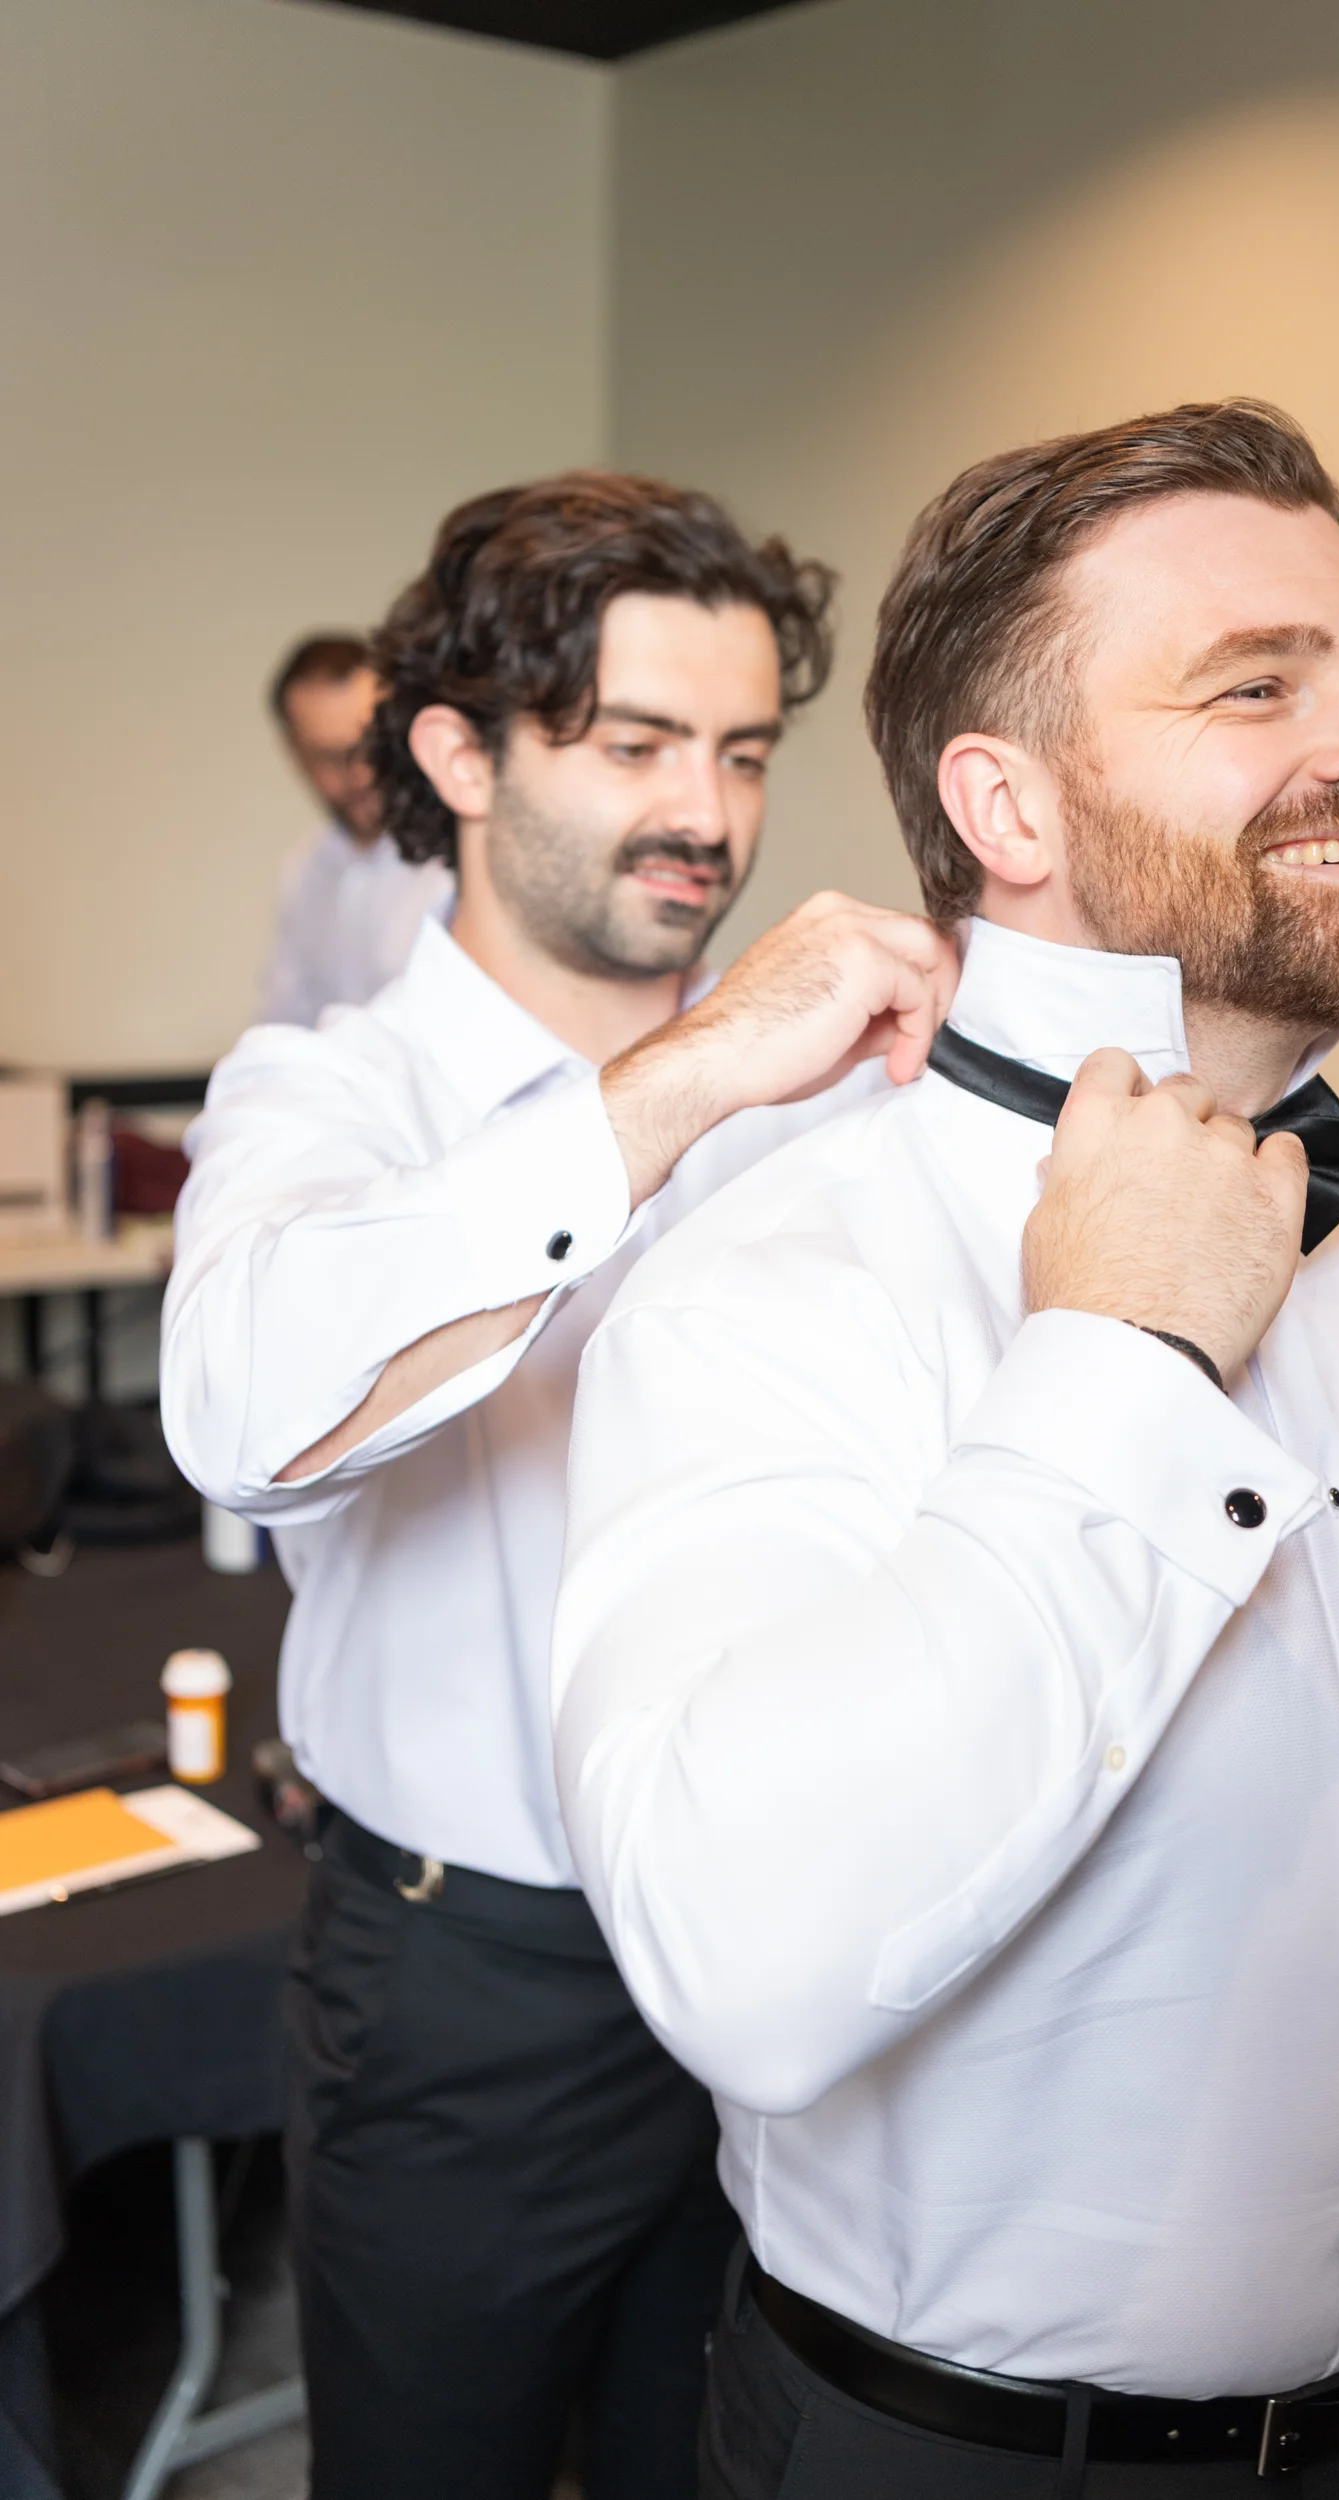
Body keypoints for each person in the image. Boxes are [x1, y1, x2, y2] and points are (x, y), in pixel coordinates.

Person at [551, 403, 1339, 2499]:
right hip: (960, 2454)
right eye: (1253, 683)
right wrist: (1122, 1354)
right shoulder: (774, 1275)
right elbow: (744, 1967)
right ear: (1003, 800)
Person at [161, 473, 957, 2500]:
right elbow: (250, 1413)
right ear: (455, 750)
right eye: (630, 745)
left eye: (742, 748)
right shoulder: (329, 1092)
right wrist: (694, 1074)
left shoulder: (838, 1105)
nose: (705, 810)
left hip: (788, 1969)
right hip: (467, 1986)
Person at [258, 632, 452, 1025]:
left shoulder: (455, 859)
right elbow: (286, 1022)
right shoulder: (305, 872)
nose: (362, 774)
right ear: (294, 753)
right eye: (333, 757)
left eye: (370, 745)